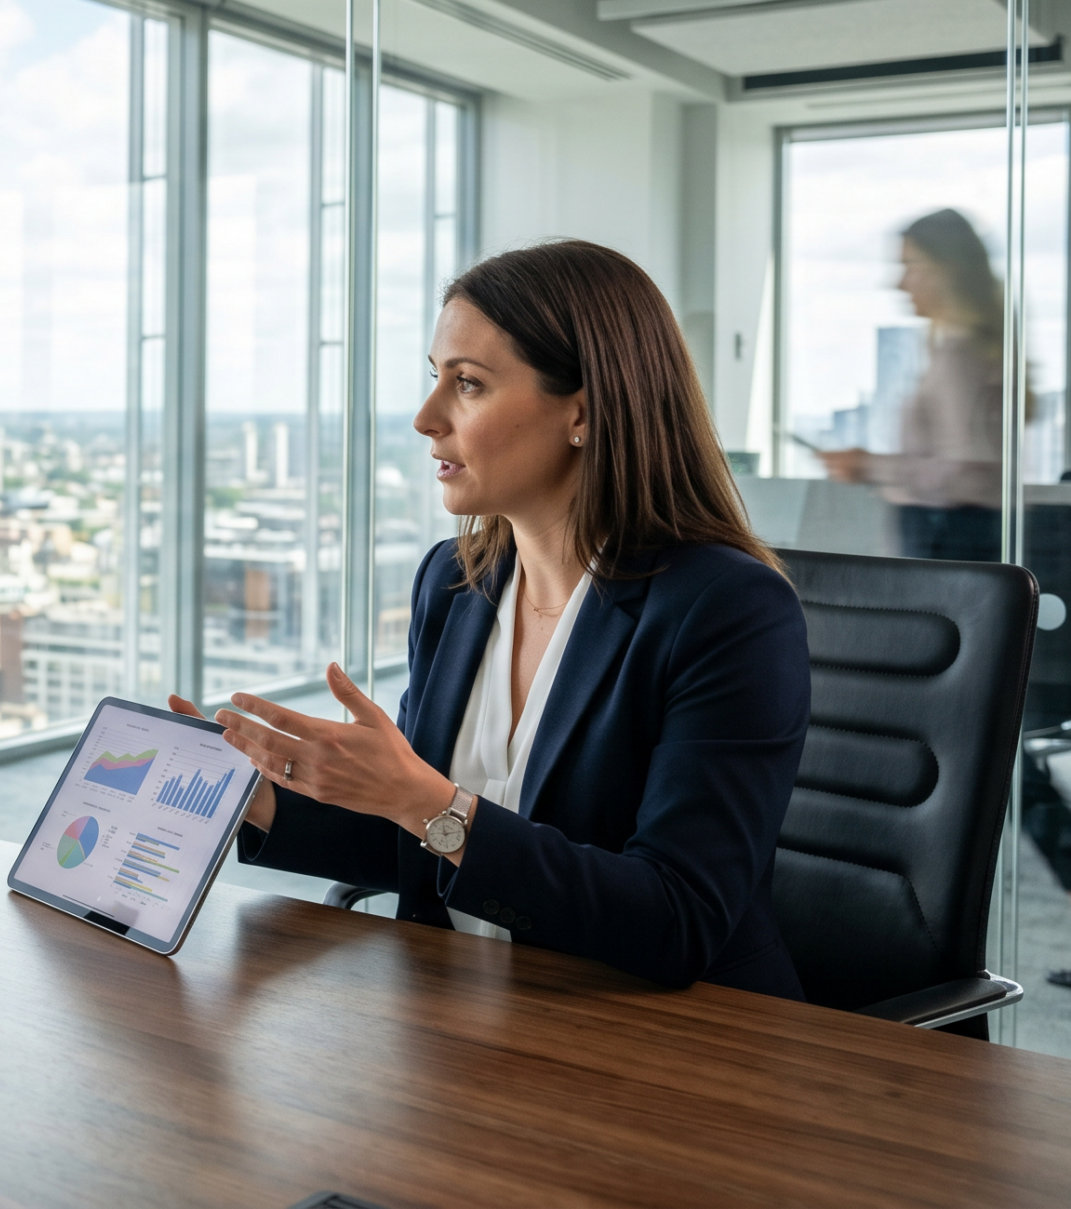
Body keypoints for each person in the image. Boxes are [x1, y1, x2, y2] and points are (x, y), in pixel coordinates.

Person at [179, 239, 810, 997]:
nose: (424, 418)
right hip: (470, 1022)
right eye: (434, 379)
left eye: (468, 384)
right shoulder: (454, 583)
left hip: (669, 1050)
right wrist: (267, 795)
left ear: (582, 410)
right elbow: (427, 843)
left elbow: (677, 919)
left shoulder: (728, 611)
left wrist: (423, 798)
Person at [818, 208, 1071, 990]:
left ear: (946, 268)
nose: (899, 278)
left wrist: (877, 464)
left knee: (968, 746)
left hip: (951, 553)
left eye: (910, 263)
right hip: (944, 551)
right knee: (965, 749)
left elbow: (976, 471)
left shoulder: (967, 355)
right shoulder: (965, 349)